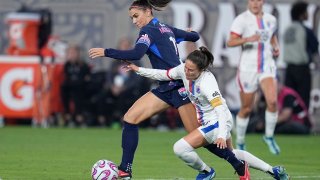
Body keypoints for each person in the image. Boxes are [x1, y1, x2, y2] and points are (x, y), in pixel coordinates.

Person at [88, 0, 247, 179]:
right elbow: (194, 37)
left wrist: (106, 51)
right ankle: (125, 170)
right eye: (131, 17)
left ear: (148, 11)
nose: (134, 21)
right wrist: (188, 33)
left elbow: (136, 54)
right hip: (166, 87)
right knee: (130, 119)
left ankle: (237, 166)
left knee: (200, 138)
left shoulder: (148, 32)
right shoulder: (166, 28)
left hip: (178, 86)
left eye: (136, 16)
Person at [125, 46, 289, 180]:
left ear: (202, 70)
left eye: (191, 70)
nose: (187, 72)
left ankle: (206, 172)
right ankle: (272, 170)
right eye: (186, 67)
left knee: (180, 148)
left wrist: (221, 134)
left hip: (218, 121)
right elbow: (163, 74)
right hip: (210, 122)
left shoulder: (207, 82)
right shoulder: (184, 69)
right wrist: (138, 69)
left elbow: (220, 110)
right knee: (232, 154)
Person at [226, 0, 281, 154]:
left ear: (262, 1)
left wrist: (276, 47)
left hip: (267, 66)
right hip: (248, 68)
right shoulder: (241, 20)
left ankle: (269, 136)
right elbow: (230, 42)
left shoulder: (271, 19)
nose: (255, 3)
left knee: (272, 101)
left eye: (258, 0)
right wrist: (248, 39)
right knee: (246, 108)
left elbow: (272, 36)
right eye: (252, 0)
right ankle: (241, 141)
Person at [283, 1, 319, 111]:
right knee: (303, 99)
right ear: (301, 14)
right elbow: (314, 49)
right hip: (302, 69)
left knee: (289, 98)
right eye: (306, 12)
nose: (308, 14)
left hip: (289, 69)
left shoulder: (287, 30)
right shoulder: (305, 30)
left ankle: (289, 122)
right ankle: (302, 124)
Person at [61, 44, 91, 127]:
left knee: (78, 91)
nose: (72, 55)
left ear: (78, 54)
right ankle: (67, 115)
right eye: (70, 53)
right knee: (64, 89)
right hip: (70, 87)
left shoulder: (83, 65)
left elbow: (86, 78)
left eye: (74, 53)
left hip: (81, 88)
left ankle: (79, 116)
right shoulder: (67, 65)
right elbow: (66, 78)